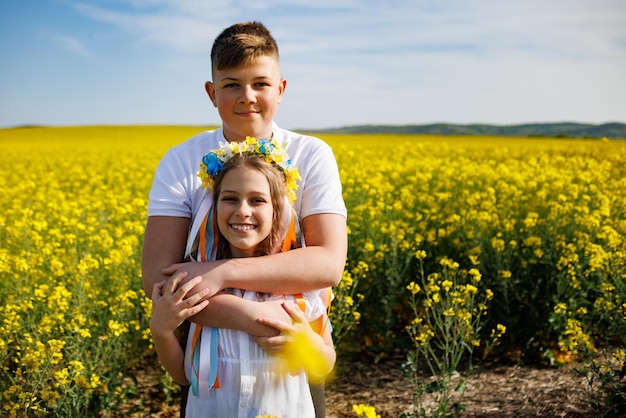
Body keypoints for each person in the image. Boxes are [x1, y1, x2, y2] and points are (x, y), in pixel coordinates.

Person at [141, 21, 347, 416]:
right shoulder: (181, 160)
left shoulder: (312, 154)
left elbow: (327, 264)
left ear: (281, 89)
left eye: (261, 84)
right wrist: (255, 317)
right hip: (211, 369)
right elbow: (158, 280)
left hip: (294, 360)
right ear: (211, 91)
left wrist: (220, 272)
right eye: (232, 84)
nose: (247, 97)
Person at [150, 141, 336, 417]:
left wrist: (310, 346)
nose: (243, 211)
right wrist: (161, 331)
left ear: (278, 210)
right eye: (230, 199)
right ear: (213, 209)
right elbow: (182, 375)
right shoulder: (200, 290)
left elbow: (324, 363)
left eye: (257, 200)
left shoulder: (298, 288)